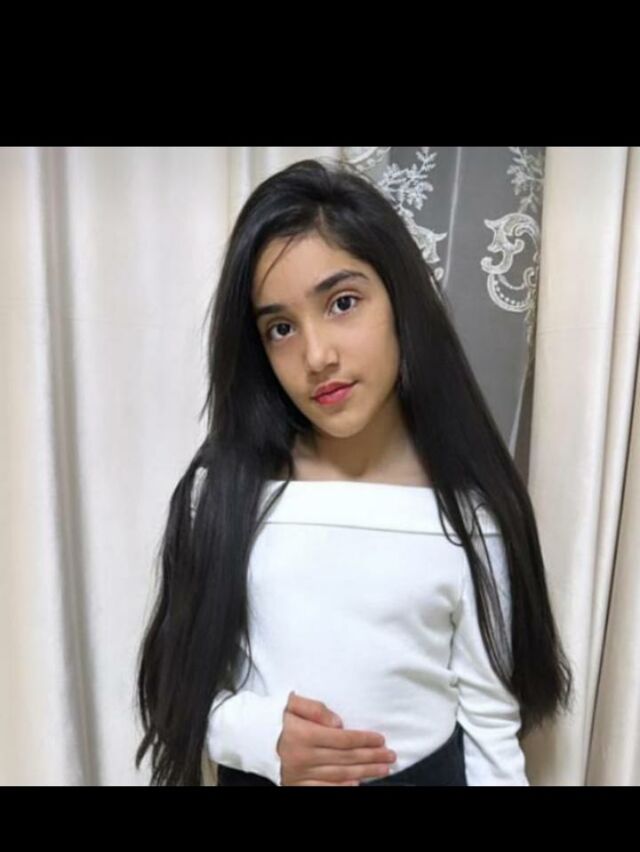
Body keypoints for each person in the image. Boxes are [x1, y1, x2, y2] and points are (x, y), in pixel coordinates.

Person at [135, 158, 573, 787]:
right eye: (280, 328)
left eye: (342, 303)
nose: (317, 356)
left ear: (400, 299)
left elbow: (491, 736)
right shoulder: (226, 494)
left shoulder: (470, 517)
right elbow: (178, 693)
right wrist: (261, 737)